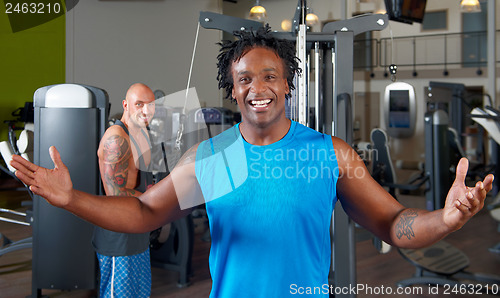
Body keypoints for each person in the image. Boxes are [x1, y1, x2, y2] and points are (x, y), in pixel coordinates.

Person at [11, 26, 494, 297]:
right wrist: (71, 198)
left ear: (288, 86)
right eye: (244, 79)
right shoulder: (217, 158)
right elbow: (143, 213)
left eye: (269, 77)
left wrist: (447, 218)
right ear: (234, 89)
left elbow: (394, 223)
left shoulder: (328, 155)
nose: (257, 88)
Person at [94, 83, 156, 298]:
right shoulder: (117, 138)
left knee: (140, 294)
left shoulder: (144, 134)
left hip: (139, 229)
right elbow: (116, 194)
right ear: (126, 105)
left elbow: (144, 181)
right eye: (139, 104)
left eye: (150, 105)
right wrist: (157, 199)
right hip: (118, 235)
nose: (145, 111)